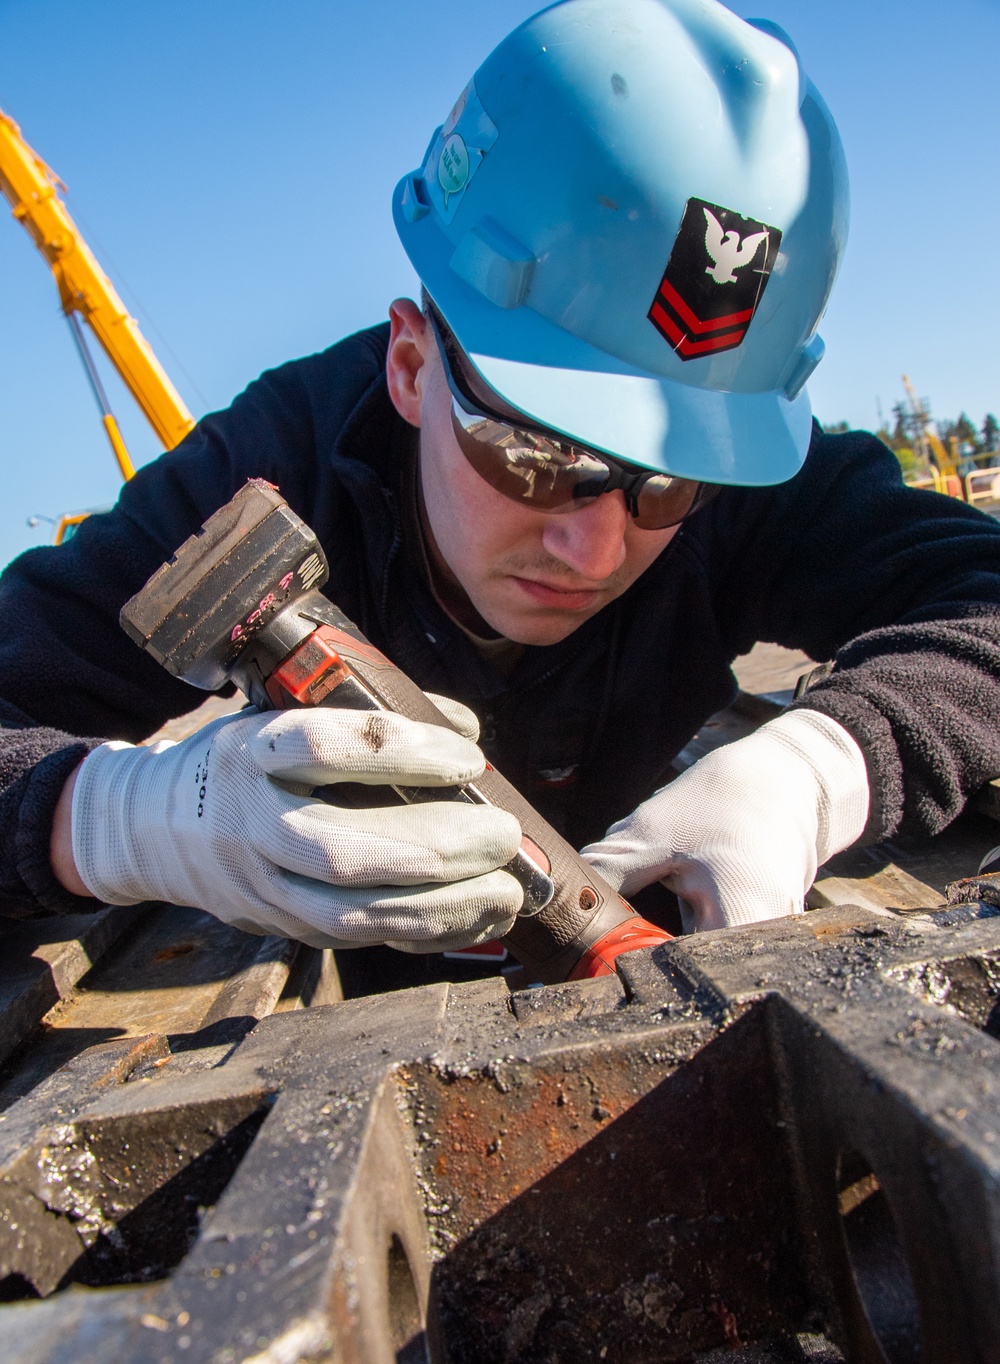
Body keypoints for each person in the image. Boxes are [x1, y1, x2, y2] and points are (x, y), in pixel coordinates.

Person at [2, 0, 1000, 996]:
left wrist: (826, 765)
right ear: (410, 364)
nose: (593, 548)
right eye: (530, 451)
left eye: (666, 481)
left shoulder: (733, 468)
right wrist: (116, 819)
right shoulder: (278, 468)